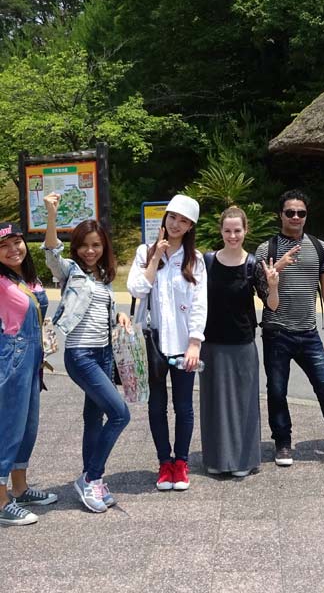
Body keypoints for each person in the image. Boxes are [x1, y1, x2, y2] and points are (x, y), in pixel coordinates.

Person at [255, 189, 324, 466]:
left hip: (308, 332)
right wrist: (281, 268)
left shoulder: (318, 246)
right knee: (277, 390)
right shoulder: (267, 250)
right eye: (290, 212)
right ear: (281, 215)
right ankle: (283, 442)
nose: (296, 217)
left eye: (301, 213)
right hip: (276, 332)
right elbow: (262, 293)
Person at [43, 193, 130, 513]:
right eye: (84, 245)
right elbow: (52, 252)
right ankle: (92, 477)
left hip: (104, 353)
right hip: (80, 355)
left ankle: (90, 479)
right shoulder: (70, 272)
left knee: (94, 417)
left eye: (96, 245)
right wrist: (52, 215)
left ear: (103, 246)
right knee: (121, 414)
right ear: (76, 248)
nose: (90, 251)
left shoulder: (104, 279)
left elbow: (101, 313)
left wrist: (119, 316)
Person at [128, 194, 207, 491]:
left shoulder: (195, 259)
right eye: (172, 217)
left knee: (184, 406)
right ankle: (164, 462)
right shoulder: (144, 252)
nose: (176, 224)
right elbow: (136, 289)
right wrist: (154, 258)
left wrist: (195, 343)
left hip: (184, 344)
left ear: (190, 227)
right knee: (156, 406)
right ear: (165, 218)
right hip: (153, 344)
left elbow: (200, 304)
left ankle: (181, 462)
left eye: (183, 221)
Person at [200, 207, 279, 477]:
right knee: (214, 403)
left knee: (244, 403)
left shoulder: (253, 264)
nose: (232, 235)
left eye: (237, 230)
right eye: (227, 230)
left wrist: (273, 284)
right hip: (211, 343)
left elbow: (272, 304)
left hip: (243, 343)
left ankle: (243, 460)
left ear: (245, 231)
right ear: (221, 231)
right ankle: (217, 459)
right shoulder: (207, 261)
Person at [0, 222, 57, 526]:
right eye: (4, 246)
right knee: (7, 428)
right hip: (10, 358)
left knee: (27, 427)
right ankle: (0, 501)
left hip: (33, 360)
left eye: (17, 242)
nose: (13, 250)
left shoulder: (27, 277)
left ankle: (19, 488)